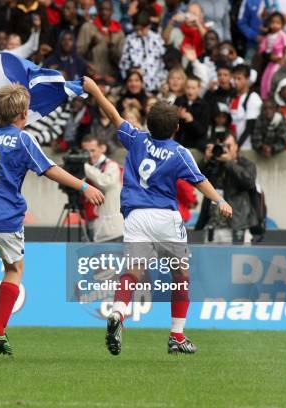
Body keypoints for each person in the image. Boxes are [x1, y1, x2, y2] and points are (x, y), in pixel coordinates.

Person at [0, 84, 104, 356]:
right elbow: (49, 169)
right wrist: (84, 187)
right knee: (13, 270)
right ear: (23, 114)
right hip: (6, 220)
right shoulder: (23, 139)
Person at [83, 75, 232, 355]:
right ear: (177, 127)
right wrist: (220, 200)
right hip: (165, 218)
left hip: (136, 217)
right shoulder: (180, 153)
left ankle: (117, 313)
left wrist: (95, 91)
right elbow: (200, 181)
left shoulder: (136, 139)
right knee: (181, 275)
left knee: (132, 272)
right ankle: (176, 335)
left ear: (148, 124)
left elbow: (113, 114)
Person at [195, 133, 257, 244]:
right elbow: (193, 177)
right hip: (212, 229)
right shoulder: (214, 164)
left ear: (236, 147)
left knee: (238, 261)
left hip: (236, 227)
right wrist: (206, 159)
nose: (225, 149)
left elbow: (249, 182)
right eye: (223, 146)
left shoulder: (246, 164)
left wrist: (229, 162)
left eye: (229, 146)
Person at [80, 134, 123, 242]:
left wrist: (84, 167)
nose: (89, 155)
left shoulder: (111, 166)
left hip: (112, 230)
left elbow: (105, 182)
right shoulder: (88, 168)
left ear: (102, 148)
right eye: (86, 151)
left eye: (92, 150)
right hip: (93, 226)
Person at [119, 11, 166, 93]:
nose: (139, 32)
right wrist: (133, 71)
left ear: (148, 26)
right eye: (136, 29)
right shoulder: (130, 39)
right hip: (135, 87)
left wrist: (160, 82)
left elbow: (161, 64)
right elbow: (123, 64)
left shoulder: (157, 40)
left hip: (155, 86)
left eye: (142, 29)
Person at [76, 1, 124, 78]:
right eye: (102, 9)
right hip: (90, 76)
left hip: (110, 77)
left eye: (107, 10)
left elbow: (120, 60)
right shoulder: (87, 28)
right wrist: (90, 45)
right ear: (98, 11)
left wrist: (111, 46)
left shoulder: (118, 33)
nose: (104, 12)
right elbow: (78, 54)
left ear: (112, 12)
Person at [259, 12, 286, 99]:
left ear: (282, 24)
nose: (274, 25)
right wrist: (269, 56)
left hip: (280, 62)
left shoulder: (283, 35)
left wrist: (281, 58)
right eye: (272, 22)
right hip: (270, 62)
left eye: (278, 23)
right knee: (265, 79)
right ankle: (266, 97)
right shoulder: (268, 36)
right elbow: (263, 49)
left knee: (273, 79)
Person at [229, 64, 262, 150]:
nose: (236, 82)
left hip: (247, 147)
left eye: (239, 78)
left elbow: (250, 127)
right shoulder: (232, 98)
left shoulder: (253, 98)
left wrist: (237, 146)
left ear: (247, 79)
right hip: (232, 146)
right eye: (234, 78)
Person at [174, 75, 210, 149]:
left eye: (193, 88)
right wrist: (177, 117)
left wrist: (191, 121)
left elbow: (202, 131)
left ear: (199, 89)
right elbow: (173, 125)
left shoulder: (204, 106)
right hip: (178, 144)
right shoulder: (179, 101)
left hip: (195, 146)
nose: (190, 91)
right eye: (188, 88)